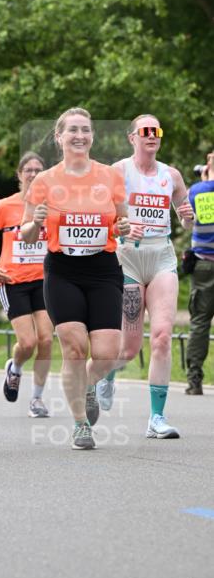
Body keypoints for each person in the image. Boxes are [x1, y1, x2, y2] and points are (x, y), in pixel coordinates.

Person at [21, 108, 130, 451]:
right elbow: (25, 235)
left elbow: (121, 223)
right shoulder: (44, 181)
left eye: (85, 130)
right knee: (74, 346)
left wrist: (123, 228)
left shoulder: (110, 176)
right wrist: (34, 223)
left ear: (92, 137)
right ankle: (81, 424)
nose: (79, 135)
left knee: (107, 352)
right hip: (63, 270)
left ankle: (88, 386)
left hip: (103, 269)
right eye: (72, 130)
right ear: (59, 137)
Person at [96, 115, 195, 437]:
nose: (152, 136)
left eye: (157, 131)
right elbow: (99, 215)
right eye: (145, 131)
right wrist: (120, 226)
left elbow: (187, 219)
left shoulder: (172, 175)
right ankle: (108, 374)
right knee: (129, 348)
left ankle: (156, 418)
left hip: (161, 256)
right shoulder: (118, 172)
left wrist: (187, 217)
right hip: (128, 259)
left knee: (163, 337)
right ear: (132, 138)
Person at [0, 152, 53, 417]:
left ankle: (36, 399)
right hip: (13, 281)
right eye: (28, 170)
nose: (33, 174)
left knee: (46, 338)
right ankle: (15, 368)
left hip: (44, 280)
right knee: (28, 342)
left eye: (38, 170)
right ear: (19, 175)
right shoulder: (4, 206)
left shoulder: (52, 204)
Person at [185, 151, 214, 394]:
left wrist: (206, 181)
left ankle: (194, 380)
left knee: (200, 323)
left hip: (204, 265)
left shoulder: (198, 191)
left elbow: (190, 217)